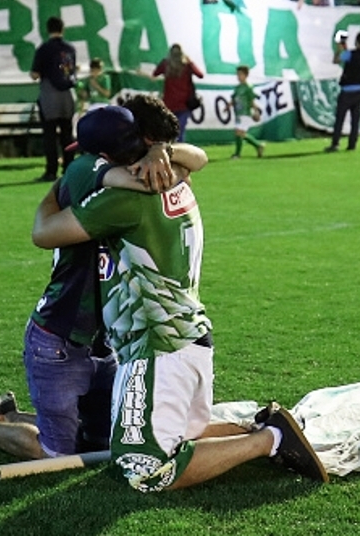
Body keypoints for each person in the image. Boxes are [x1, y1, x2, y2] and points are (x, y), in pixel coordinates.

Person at [30, 109, 328, 492]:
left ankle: (270, 439)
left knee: (143, 469)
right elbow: (196, 159)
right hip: (190, 338)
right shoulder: (177, 176)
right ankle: (260, 426)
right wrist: (163, 151)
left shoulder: (122, 199)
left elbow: (44, 233)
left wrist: (54, 192)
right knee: (181, 436)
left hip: (156, 348)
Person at [0, 101, 205, 461]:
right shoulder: (87, 168)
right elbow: (44, 233)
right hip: (59, 337)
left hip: (102, 341)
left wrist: (162, 152)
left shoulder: (115, 171)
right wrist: (160, 159)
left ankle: (7, 415)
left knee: (104, 442)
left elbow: (195, 161)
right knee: (56, 453)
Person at [31, 16, 77, 182]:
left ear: (48, 29)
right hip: (68, 95)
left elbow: (35, 74)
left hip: (50, 95)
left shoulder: (44, 49)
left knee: (49, 135)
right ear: (63, 29)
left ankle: (51, 171)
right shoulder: (70, 49)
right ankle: (69, 169)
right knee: (67, 135)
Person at [325, 31, 360, 153]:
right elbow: (358, 59)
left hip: (347, 90)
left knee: (340, 118)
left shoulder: (349, 54)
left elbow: (336, 60)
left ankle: (335, 143)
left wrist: (339, 49)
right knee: (355, 119)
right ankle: (352, 144)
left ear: (356, 41)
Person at [152, 44, 205, 142]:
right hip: (184, 104)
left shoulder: (165, 64)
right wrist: (191, 62)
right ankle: (179, 150)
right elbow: (200, 75)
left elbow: (155, 74)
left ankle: (169, 149)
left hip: (169, 103)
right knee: (180, 132)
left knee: (169, 131)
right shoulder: (187, 65)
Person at [226, 65, 265, 159]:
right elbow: (234, 98)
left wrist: (256, 111)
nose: (238, 76)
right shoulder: (237, 87)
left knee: (239, 132)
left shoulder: (248, 87)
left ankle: (237, 154)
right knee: (240, 133)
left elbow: (252, 101)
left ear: (246, 75)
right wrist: (228, 106)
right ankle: (258, 145)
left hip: (246, 113)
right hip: (238, 113)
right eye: (237, 74)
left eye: (240, 74)